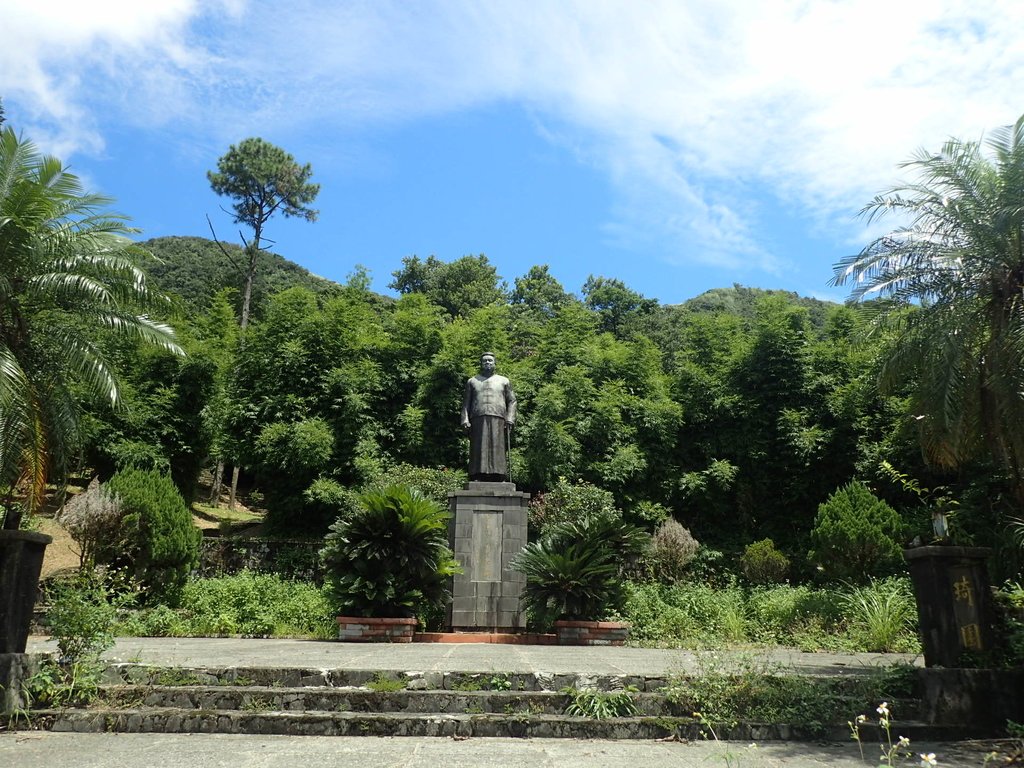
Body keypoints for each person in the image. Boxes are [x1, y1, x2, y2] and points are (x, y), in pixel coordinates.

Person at [461, 352, 517, 481]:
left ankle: (499, 475)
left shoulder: (504, 381)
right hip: (477, 418)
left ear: (494, 363)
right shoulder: (472, 381)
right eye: (485, 361)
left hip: (498, 417)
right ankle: (477, 474)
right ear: (481, 364)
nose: (487, 363)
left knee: (498, 447)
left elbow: (512, 401)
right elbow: (466, 403)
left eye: (490, 361)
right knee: (478, 447)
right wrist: (465, 419)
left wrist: (510, 418)